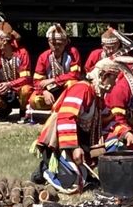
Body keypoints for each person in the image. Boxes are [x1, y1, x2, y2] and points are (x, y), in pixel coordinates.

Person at [32, 58, 122, 194]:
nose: (115, 83)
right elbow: (66, 117)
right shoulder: (81, 89)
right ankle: (46, 169)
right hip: (60, 144)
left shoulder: (97, 96)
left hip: (81, 142)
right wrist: (74, 148)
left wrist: (126, 133)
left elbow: (108, 119)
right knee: (73, 184)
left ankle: (93, 175)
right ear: (104, 76)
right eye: (113, 78)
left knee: (116, 144)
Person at [0, 21, 33, 122]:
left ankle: (23, 110)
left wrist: (10, 84)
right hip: (2, 88)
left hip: (18, 88)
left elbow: (26, 78)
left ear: (4, 41)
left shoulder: (22, 53)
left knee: (26, 89)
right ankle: (4, 109)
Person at [29, 24, 82, 112]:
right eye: (53, 44)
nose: (56, 47)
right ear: (48, 42)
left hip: (66, 88)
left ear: (65, 42)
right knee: (33, 101)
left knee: (72, 83)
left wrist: (53, 80)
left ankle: (65, 107)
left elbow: (75, 74)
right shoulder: (44, 56)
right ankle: (55, 105)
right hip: (50, 90)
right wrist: (44, 92)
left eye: (59, 44)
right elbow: (37, 81)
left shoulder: (72, 53)